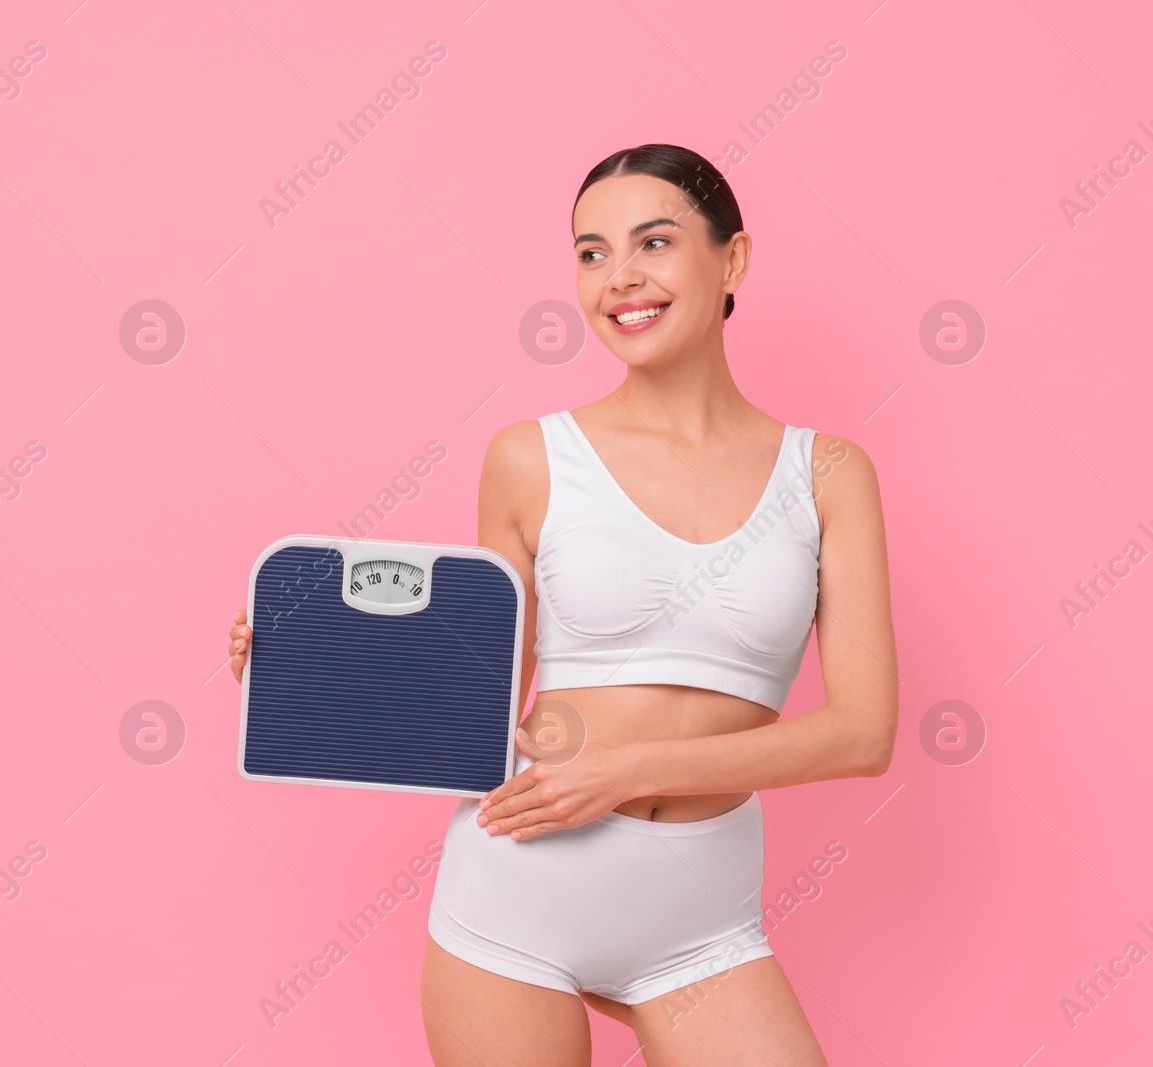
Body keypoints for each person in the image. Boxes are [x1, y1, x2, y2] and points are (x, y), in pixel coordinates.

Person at [227, 143, 897, 1066]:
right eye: (590, 253)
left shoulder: (827, 474)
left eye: (653, 242)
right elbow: (470, 707)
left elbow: (863, 735)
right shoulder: (531, 457)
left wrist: (624, 771)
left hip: (702, 923)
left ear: (732, 259)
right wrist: (312, 664)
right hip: (519, 893)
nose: (620, 278)